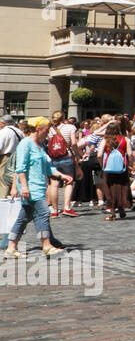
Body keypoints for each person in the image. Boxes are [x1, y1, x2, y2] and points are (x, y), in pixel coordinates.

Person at [3, 118, 75, 257]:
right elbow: (20, 168)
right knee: (43, 214)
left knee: (23, 218)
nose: (48, 133)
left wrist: (61, 175)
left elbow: (48, 166)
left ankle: (11, 247)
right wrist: (23, 187)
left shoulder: (40, 145)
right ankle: (46, 245)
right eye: (46, 130)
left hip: (39, 186)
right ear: (38, 129)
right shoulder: (25, 144)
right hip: (31, 188)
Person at [46, 110, 78, 218]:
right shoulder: (70, 127)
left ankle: (54, 210)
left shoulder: (50, 129)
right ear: (64, 117)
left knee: (53, 184)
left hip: (54, 158)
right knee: (69, 182)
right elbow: (73, 143)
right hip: (66, 157)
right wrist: (78, 154)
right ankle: (67, 207)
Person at [100, 122, 132, 221]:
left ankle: (112, 211)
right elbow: (130, 154)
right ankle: (121, 207)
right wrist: (130, 165)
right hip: (122, 167)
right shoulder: (125, 139)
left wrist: (102, 165)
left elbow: (98, 154)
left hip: (108, 168)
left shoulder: (105, 140)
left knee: (110, 188)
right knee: (122, 187)